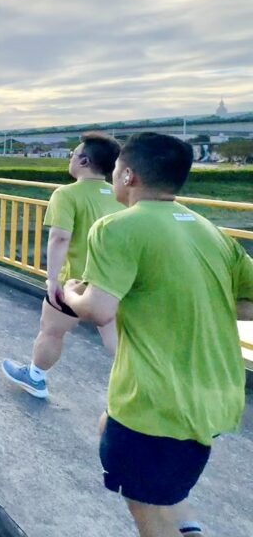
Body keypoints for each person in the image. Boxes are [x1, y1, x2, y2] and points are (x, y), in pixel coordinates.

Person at [62, 133, 253, 537]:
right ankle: (185, 526)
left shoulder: (116, 227)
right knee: (126, 443)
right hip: (217, 394)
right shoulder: (211, 231)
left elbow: (98, 309)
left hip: (157, 402)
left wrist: (71, 292)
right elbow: (246, 304)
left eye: (116, 169)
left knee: (149, 512)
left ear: (128, 175)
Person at [1, 132, 123, 399]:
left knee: (52, 331)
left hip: (75, 281)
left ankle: (36, 377)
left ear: (84, 161)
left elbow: (60, 238)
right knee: (117, 340)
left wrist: (53, 279)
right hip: (115, 282)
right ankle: (145, 386)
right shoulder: (120, 196)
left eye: (73, 154)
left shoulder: (67, 194)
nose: (70, 158)